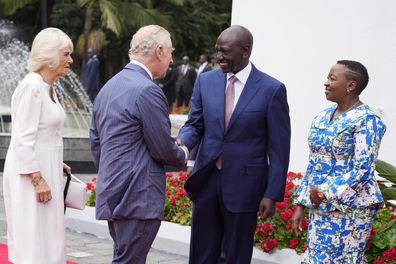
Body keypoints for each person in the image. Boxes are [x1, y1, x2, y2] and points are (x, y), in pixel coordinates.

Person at [177, 25, 291, 263]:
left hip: (245, 185)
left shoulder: (272, 90)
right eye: (216, 51)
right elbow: (195, 123)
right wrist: (183, 143)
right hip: (207, 179)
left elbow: (279, 148)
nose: (218, 57)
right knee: (202, 249)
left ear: (245, 51)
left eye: (225, 52)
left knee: (236, 253)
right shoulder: (205, 81)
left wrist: (272, 193)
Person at [90, 25, 188, 264]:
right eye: (171, 53)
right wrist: (182, 153)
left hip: (114, 194)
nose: (172, 60)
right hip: (138, 198)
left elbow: (96, 143)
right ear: (160, 50)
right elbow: (163, 148)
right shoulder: (148, 90)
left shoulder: (108, 87)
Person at [292, 60, 386, 263]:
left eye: (332, 79)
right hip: (320, 206)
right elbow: (315, 162)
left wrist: (324, 191)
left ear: (351, 85)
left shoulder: (368, 120)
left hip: (351, 210)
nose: (326, 83)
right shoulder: (323, 117)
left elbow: (364, 169)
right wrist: (301, 203)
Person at [2, 27, 73, 264]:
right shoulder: (31, 86)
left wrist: (55, 161)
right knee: (33, 238)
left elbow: (45, 132)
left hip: (44, 169)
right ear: (50, 55)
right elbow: (22, 137)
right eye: (66, 54)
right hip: (30, 175)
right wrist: (37, 178)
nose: (70, 60)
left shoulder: (47, 87)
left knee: (48, 234)